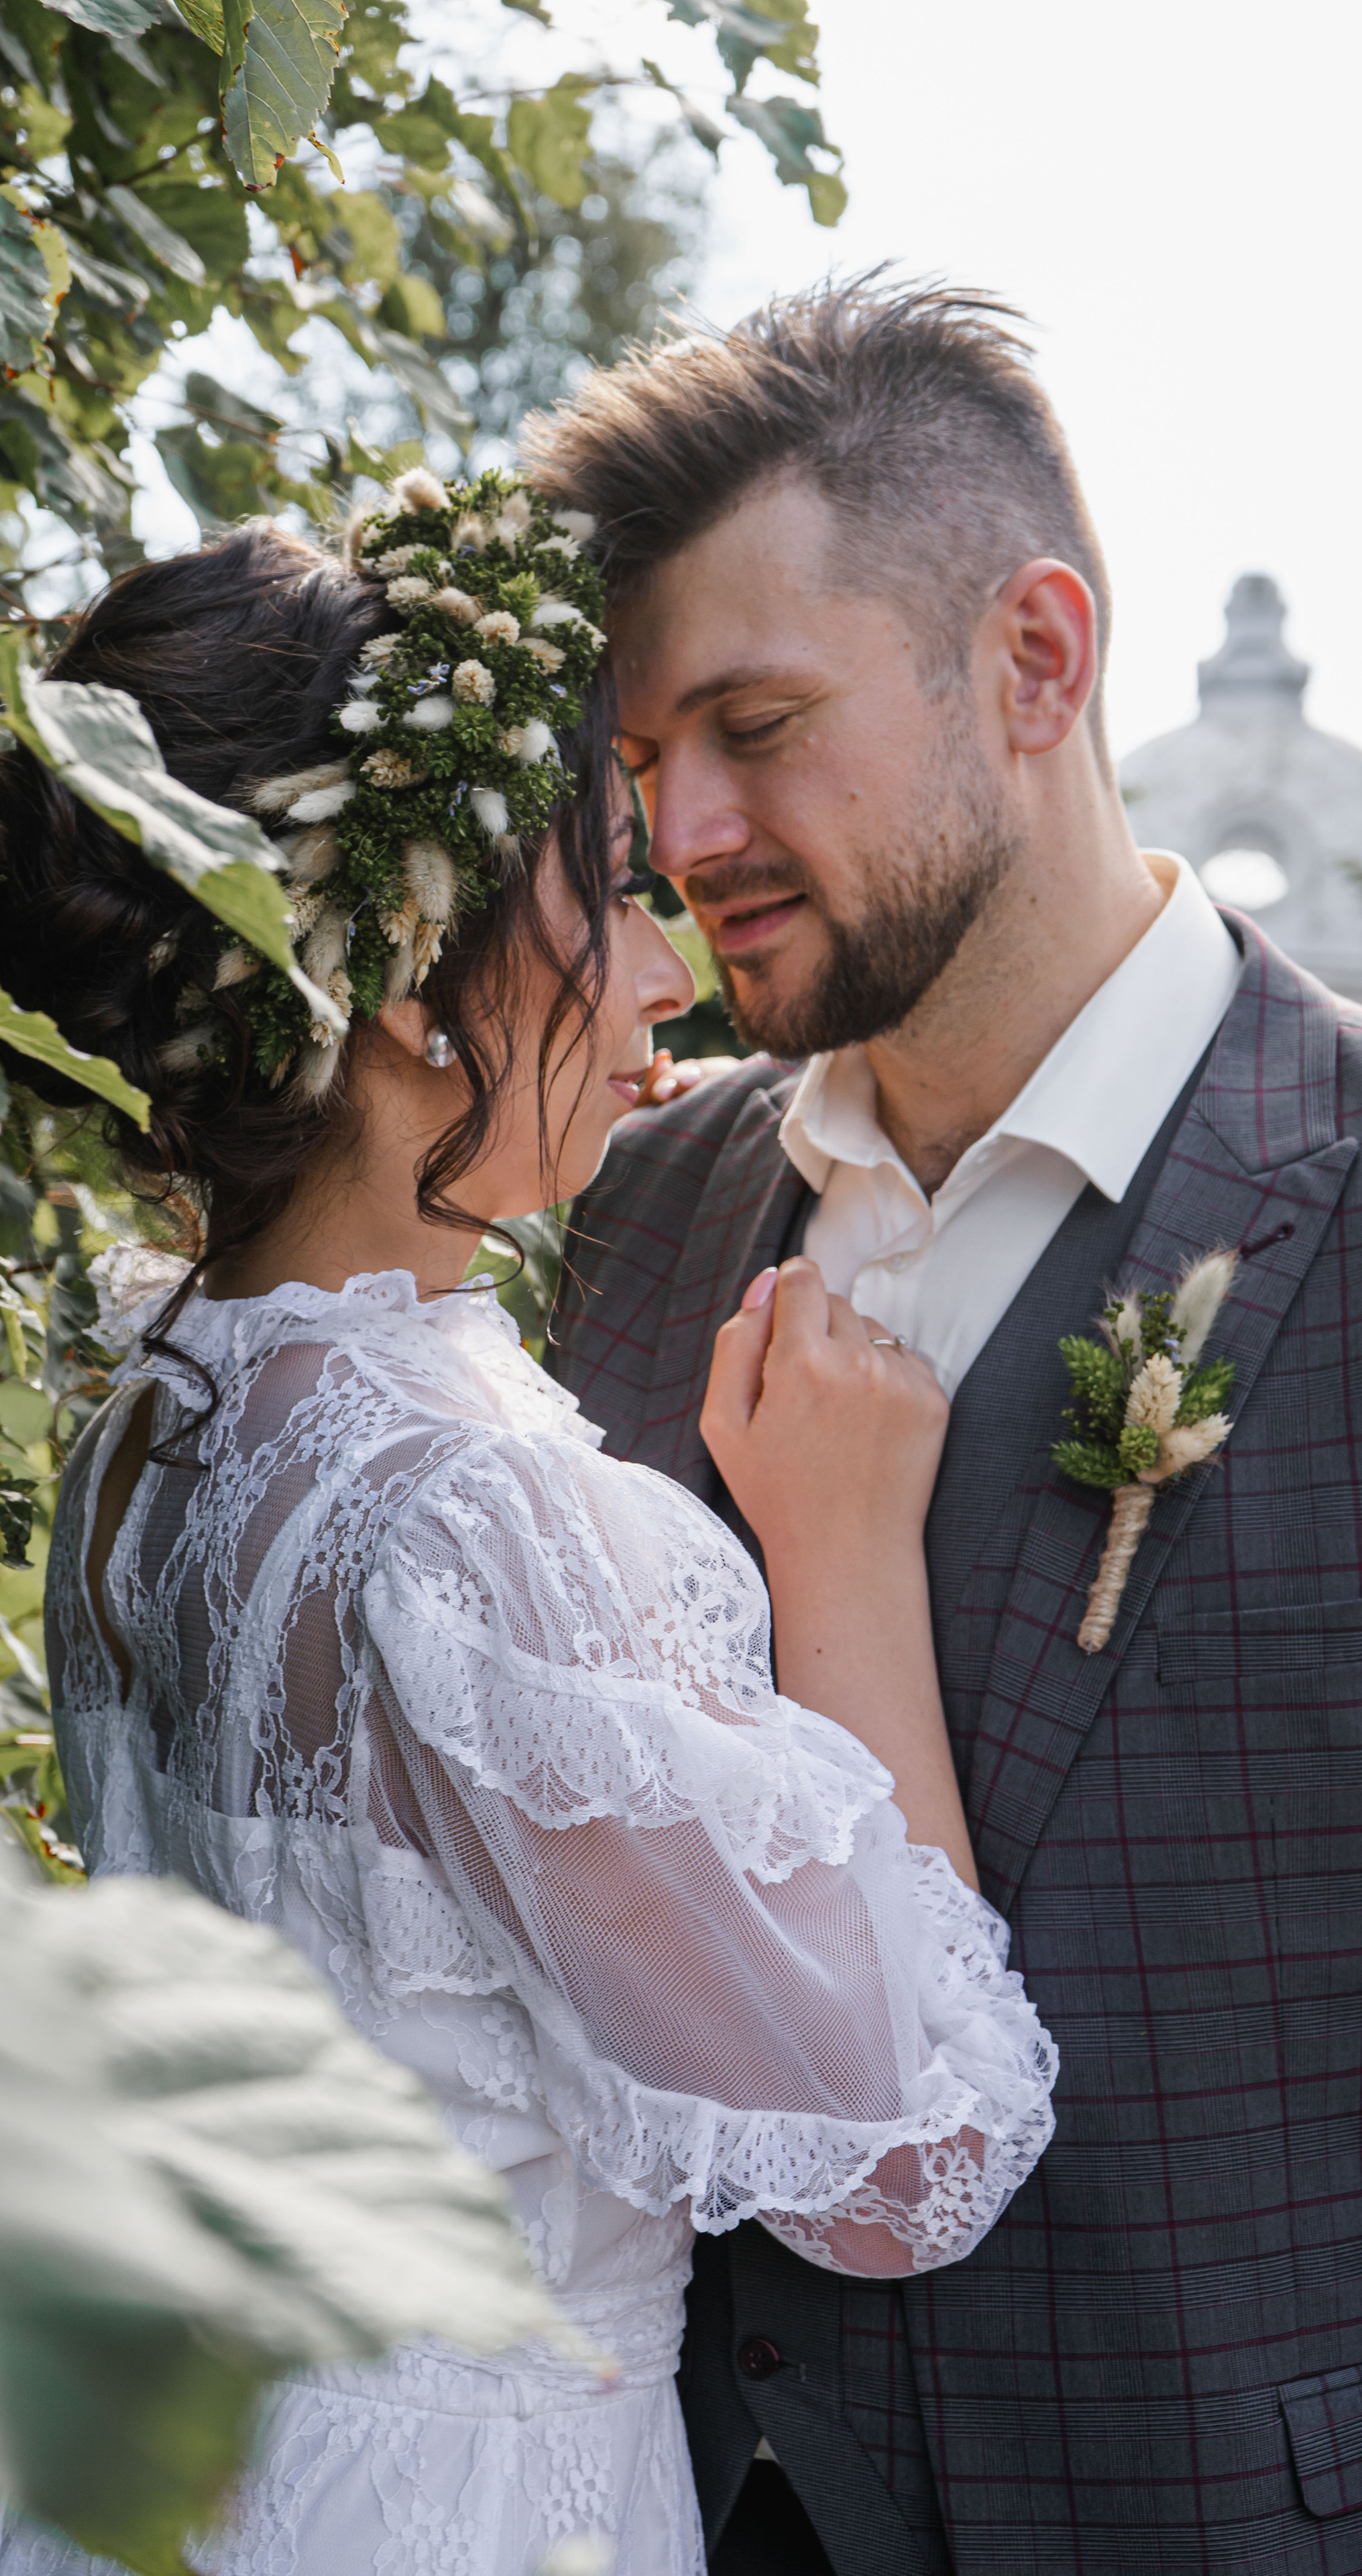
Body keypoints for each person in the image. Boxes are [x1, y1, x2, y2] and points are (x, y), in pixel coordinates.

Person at [0, 478, 1055, 2576]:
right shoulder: (468, 1518)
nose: (664, 972)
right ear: (415, 994)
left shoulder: (162, 1404)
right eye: (603, 895)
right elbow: (908, 2155)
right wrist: (847, 1555)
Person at [526, 274, 1362, 2575]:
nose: (679, 829)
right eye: (640, 760)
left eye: (757, 725)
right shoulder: (624, 1214)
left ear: (1037, 664)